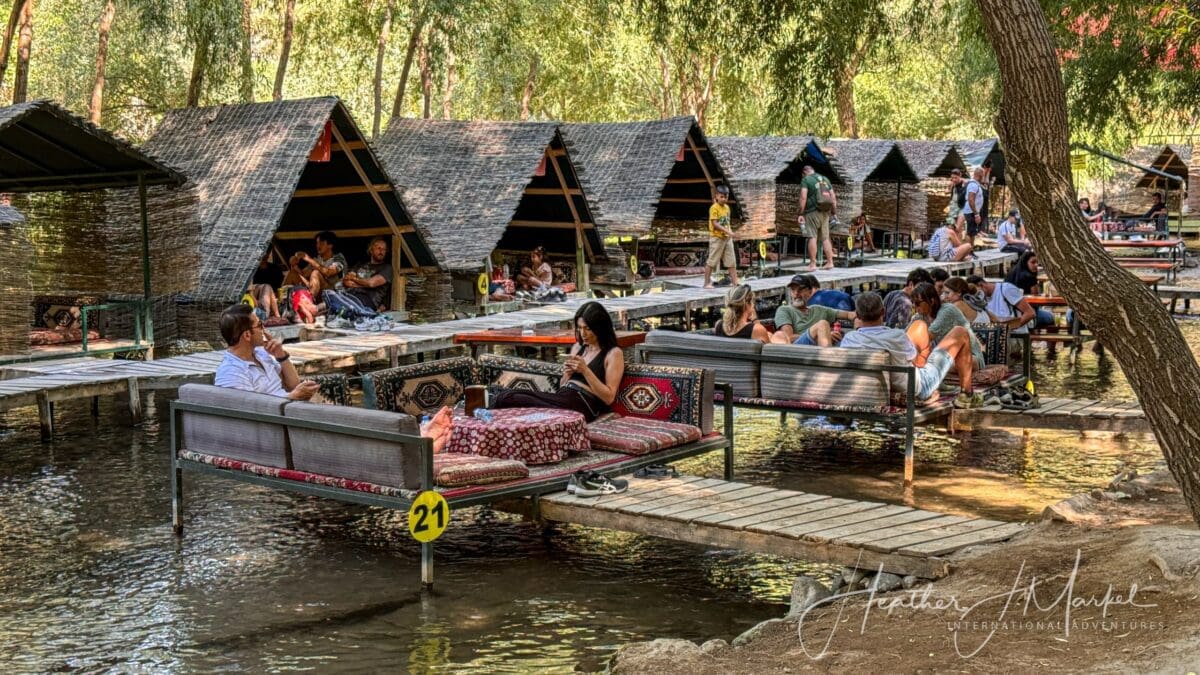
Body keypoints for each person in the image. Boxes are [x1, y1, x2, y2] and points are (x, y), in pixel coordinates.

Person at [839, 292, 981, 408]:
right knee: (960, 332)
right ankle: (967, 395)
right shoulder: (897, 336)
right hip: (915, 387)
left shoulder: (849, 339)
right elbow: (918, 362)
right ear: (883, 311)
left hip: (873, 387)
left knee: (918, 326)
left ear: (857, 314)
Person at [490, 301, 623, 422]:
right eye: (579, 328)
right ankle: (486, 417)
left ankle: (486, 413)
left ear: (599, 328)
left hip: (582, 403)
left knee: (508, 398)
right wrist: (568, 373)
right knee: (505, 395)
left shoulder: (613, 353)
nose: (583, 334)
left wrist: (585, 371)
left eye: (587, 328)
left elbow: (609, 397)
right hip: (563, 397)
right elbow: (563, 384)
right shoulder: (578, 347)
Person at [214, 304, 320, 400]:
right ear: (247, 335)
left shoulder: (261, 353)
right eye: (259, 325)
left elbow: (293, 385)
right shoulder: (231, 372)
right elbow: (250, 411)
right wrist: (291, 397)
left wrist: (281, 355)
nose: (264, 329)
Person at [907, 282, 985, 370]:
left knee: (936, 364)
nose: (914, 305)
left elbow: (926, 338)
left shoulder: (947, 310)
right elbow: (905, 337)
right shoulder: (919, 316)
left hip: (970, 357)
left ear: (931, 301)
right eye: (913, 302)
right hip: (944, 358)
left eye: (917, 303)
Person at [771, 274, 854, 346]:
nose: (796, 293)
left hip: (819, 348)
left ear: (810, 292)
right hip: (799, 348)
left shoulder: (818, 309)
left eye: (800, 289)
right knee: (822, 324)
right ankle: (827, 360)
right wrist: (821, 335)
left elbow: (848, 314)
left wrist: (859, 317)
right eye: (793, 290)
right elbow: (788, 337)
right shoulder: (784, 310)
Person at [284, 231, 347, 300]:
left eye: (321, 243)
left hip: (332, 294)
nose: (318, 246)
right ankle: (281, 300)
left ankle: (309, 301)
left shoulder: (338, 258)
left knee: (315, 273)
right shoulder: (317, 259)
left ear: (330, 245)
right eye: (317, 243)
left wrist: (308, 259)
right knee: (292, 273)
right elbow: (303, 275)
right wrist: (294, 265)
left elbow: (328, 272)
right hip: (315, 291)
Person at [797, 165, 837, 271]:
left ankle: (813, 264)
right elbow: (833, 198)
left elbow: (803, 197)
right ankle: (830, 262)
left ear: (804, 173)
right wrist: (833, 212)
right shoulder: (825, 179)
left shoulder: (806, 180)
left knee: (812, 237)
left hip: (812, 212)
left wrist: (800, 213)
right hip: (825, 212)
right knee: (825, 237)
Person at [342, 236, 393, 311]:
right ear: (371, 250)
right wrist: (363, 284)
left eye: (384, 249)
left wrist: (354, 279)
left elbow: (371, 283)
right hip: (351, 294)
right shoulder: (360, 265)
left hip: (368, 300)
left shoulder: (387, 268)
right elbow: (346, 281)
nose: (381, 251)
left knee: (343, 303)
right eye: (378, 248)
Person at [703, 185, 739, 288]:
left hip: (727, 238)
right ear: (717, 196)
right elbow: (715, 224)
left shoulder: (727, 208)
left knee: (731, 261)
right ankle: (706, 283)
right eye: (722, 197)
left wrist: (731, 233)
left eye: (726, 197)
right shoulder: (714, 208)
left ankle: (735, 282)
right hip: (717, 238)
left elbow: (727, 223)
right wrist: (728, 232)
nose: (724, 199)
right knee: (712, 261)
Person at [962, 168, 986, 245]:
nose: (984, 177)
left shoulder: (975, 184)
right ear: (980, 175)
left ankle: (970, 251)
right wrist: (976, 214)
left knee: (972, 233)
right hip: (971, 211)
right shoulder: (973, 185)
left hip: (972, 211)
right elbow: (971, 200)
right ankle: (968, 252)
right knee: (970, 233)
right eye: (983, 175)